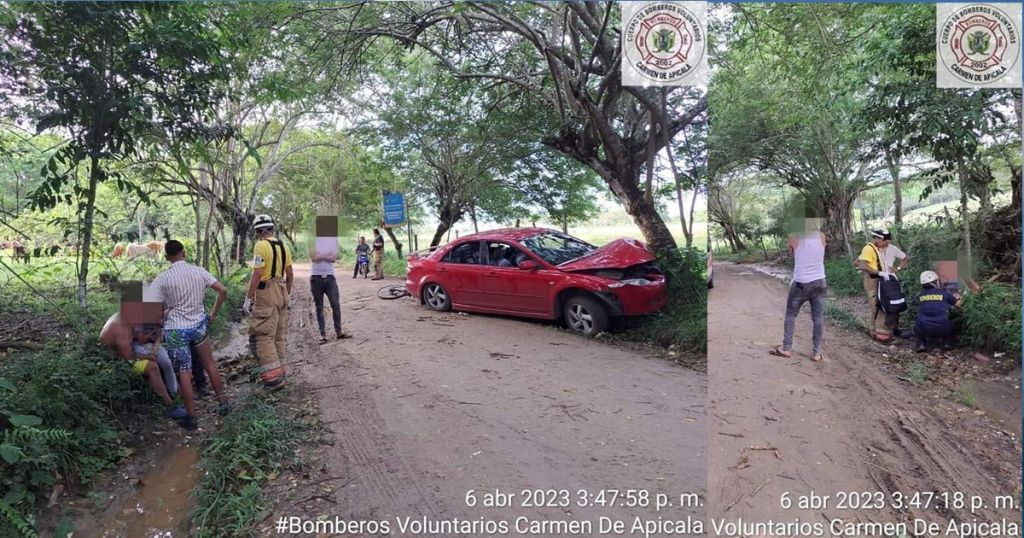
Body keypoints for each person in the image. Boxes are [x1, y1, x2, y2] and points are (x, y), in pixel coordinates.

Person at [150, 240, 231, 430]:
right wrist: (213, 314)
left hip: (176, 330)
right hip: (198, 325)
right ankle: (223, 403)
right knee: (209, 363)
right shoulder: (198, 271)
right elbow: (223, 290)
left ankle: (192, 418)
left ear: (167, 256)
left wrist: (165, 312)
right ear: (183, 253)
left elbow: (150, 306)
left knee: (183, 373)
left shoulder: (163, 278)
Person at [100, 315, 186, 421]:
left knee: (162, 358)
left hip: (123, 355)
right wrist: (147, 357)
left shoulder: (127, 320)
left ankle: (174, 393)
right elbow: (126, 356)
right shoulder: (121, 329)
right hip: (116, 362)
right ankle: (169, 405)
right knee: (152, 367)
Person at [243, 214, 293, 390]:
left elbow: (257, 274)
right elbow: (290, 273)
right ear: (272, 229)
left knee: (263, 336)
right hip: (281, 289)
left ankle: (273, 380)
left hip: (267, 293)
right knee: (278, 336)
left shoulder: (260, 246)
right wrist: (287, 294)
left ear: (258, 231)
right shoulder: (284, 245)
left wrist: (248, 298)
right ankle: (281, 372)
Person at [770, 223, 827, 362]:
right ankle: (816, 353)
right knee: (818, 318)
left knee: (791, 315)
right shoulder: (822, 236)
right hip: (820, 281)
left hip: (801, 283)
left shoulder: (794, 236)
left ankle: (786, 348)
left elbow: (792, 251)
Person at [854, 229, 911, 343]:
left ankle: (894, 328)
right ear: (878, 238)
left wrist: (897, 268)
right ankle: (875, 330)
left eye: (887, 242)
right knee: (876, 304)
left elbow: (906, 258)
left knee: (894, 303)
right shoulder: (870, 249)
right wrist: (874, 270)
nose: (886, 244)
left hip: (890, 280)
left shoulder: (892, 248)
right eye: (884, 241)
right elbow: (857, 263)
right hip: (874, 279)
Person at [309, 218, 352, 343]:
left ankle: (339, 332)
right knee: (319, 307)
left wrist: (320, 255)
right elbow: (313, 257)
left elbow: (333, 258)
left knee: (336, 305)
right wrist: (326, 254)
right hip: (316, 277)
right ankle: (323, 335)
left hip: (330, 277)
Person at [914, 270, 961, 352]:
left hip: (924, 329)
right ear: (935, 282)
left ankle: (922, 344)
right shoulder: (944, 293)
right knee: (952, 323)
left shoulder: (920, 295)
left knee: (917, 325)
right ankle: (947, 343)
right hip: (942, 328)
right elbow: (958, 304)